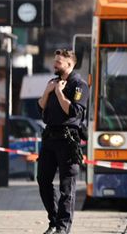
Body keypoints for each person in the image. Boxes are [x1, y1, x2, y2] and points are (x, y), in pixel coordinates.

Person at [37, 49, 89, 234]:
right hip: (50, 137)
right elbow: (41, 107)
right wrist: (48, 91)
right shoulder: (52, 82)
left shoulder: (79, 85)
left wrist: (59, 93)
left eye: (59, 62)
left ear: (69, 64)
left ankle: (62, 227)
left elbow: (73, 112)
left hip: (68, 139)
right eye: (55, 60)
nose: (55, 64)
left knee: (67, 186)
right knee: (43, 180)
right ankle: (53, 220)